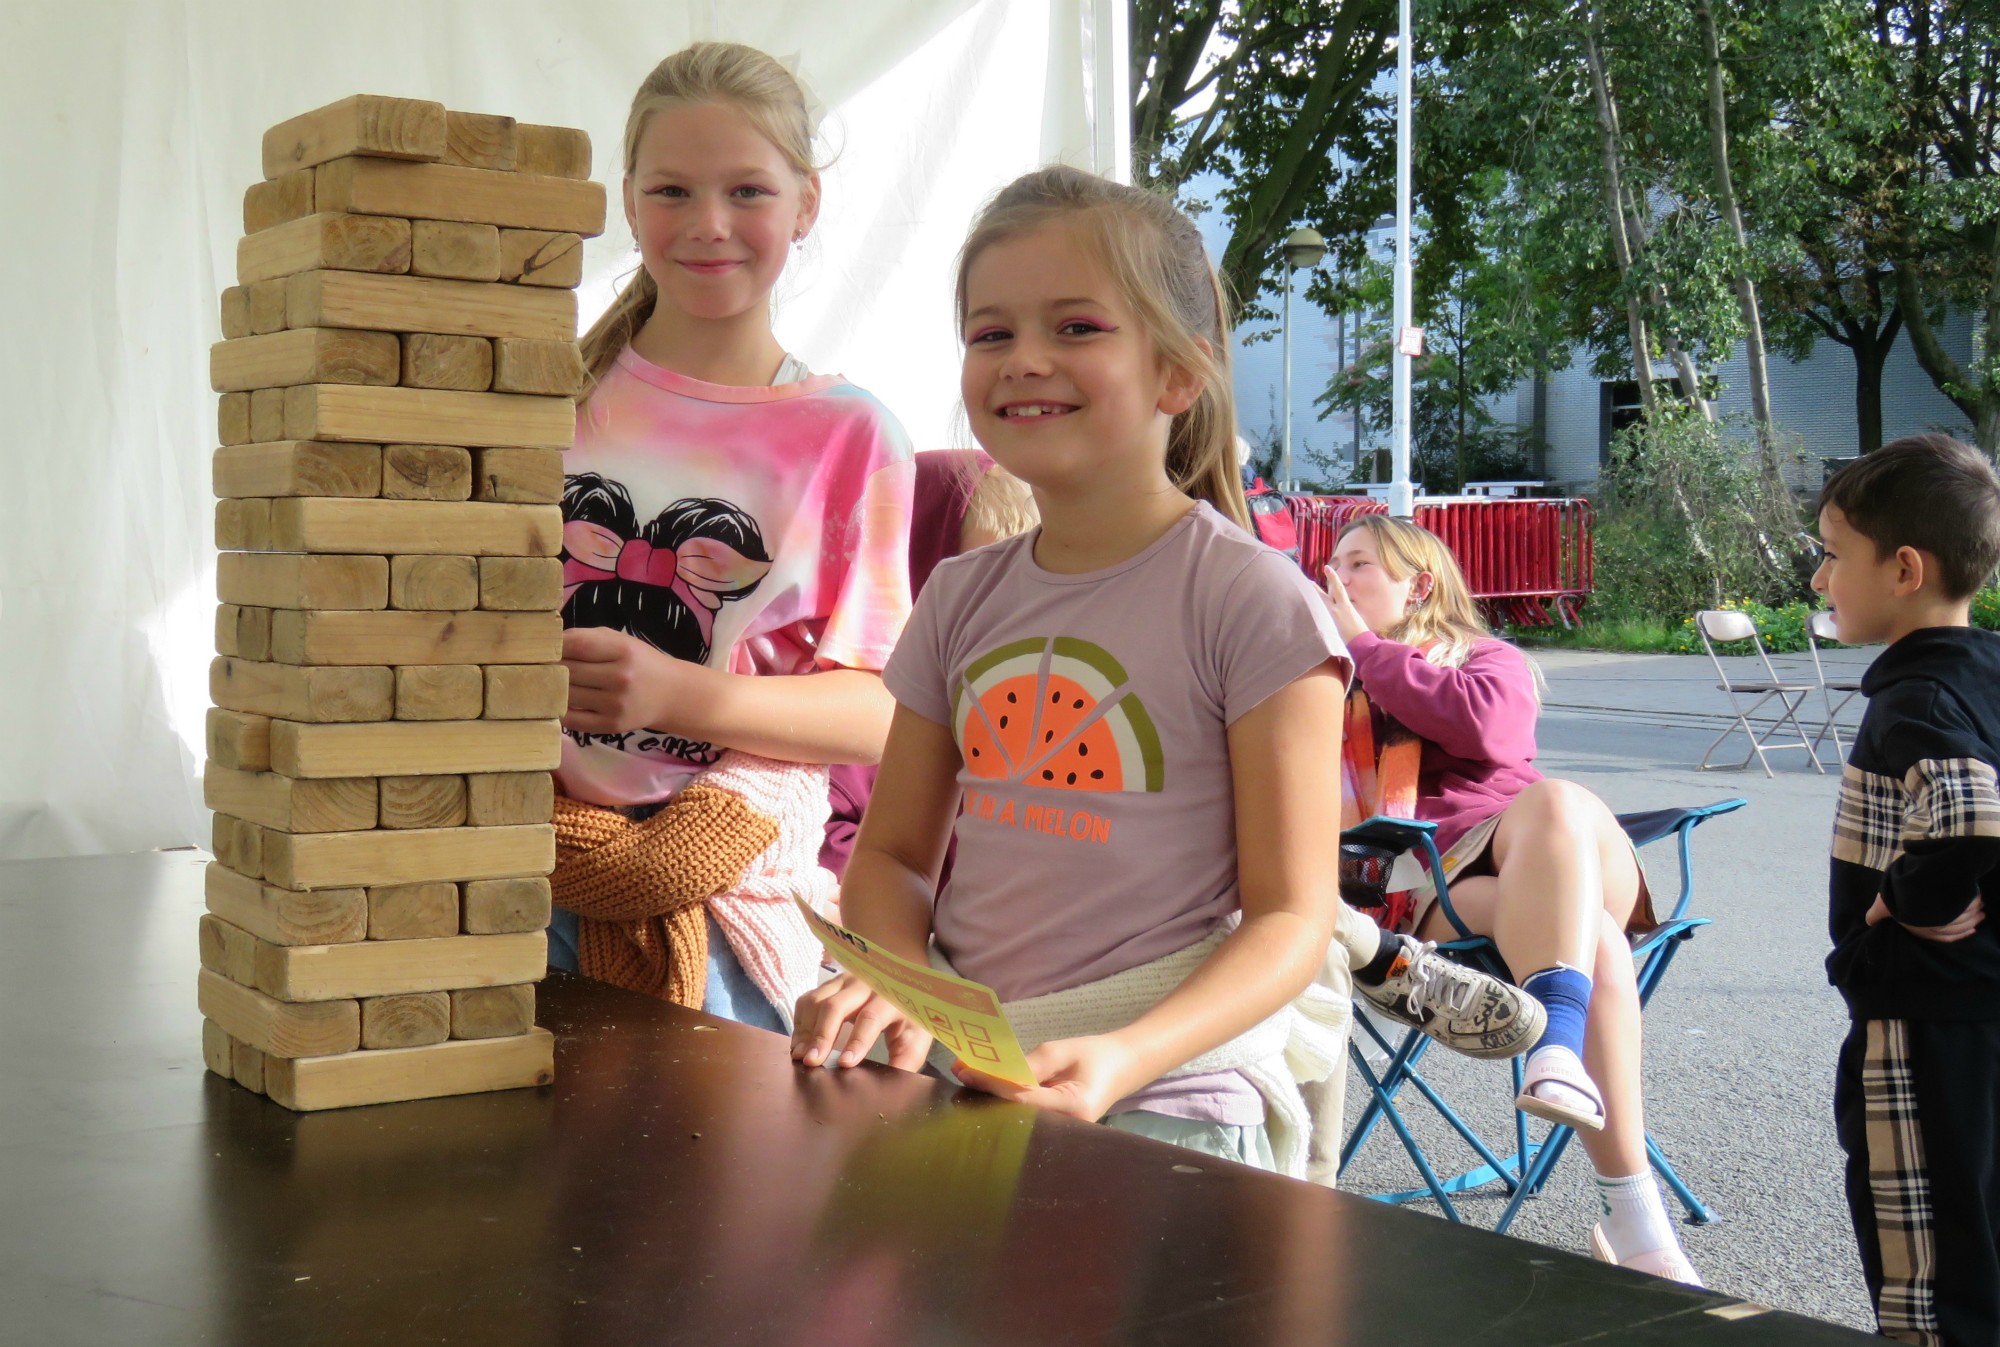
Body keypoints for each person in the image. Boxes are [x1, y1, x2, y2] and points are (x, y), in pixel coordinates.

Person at [789, 165, 1523, 1178]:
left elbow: (1286, 915)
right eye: (990, 333)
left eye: (1076, 328)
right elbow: (892, 860)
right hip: (970, 1075)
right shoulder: (958, 598)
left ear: (1179, 374)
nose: (1023, 360)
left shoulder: (1252, 602)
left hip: (1171, 1099)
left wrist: (1120, 1057)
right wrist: (906, 990)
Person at [546, 42, 916, 1030]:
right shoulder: (544, 401)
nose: (708, 226)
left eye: (746, 190)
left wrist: (685, 697)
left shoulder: (852, 437)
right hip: (521, 888)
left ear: (806, 203)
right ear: (629, 201)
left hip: (729, 926)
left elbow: (886, 710)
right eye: (672, 191)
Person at [1320, 513, 1701, 1283]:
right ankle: (1637, 1220)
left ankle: (1553, 1040)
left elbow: (1487, 730)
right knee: (1592, 934)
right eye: (1333, 564)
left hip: (1539, 851)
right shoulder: (1331, 681)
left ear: (1418, 583)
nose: (1337, 578)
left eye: (1359, 563)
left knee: (1556, 803)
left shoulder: (1488, 659)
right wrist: (1350, 657)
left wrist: (1367, 645)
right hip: (1435, 890)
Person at [1814, 435, 2000, 1347]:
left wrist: (1907, 903)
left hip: (1917, 1023)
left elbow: (1967, 809)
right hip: (1984, 1013)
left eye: (1834, 554)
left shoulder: (1914, 697)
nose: (1820, 579)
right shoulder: (1988, 674)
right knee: (1985, 1235)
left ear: (1905, 568)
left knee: (1925, 1265)